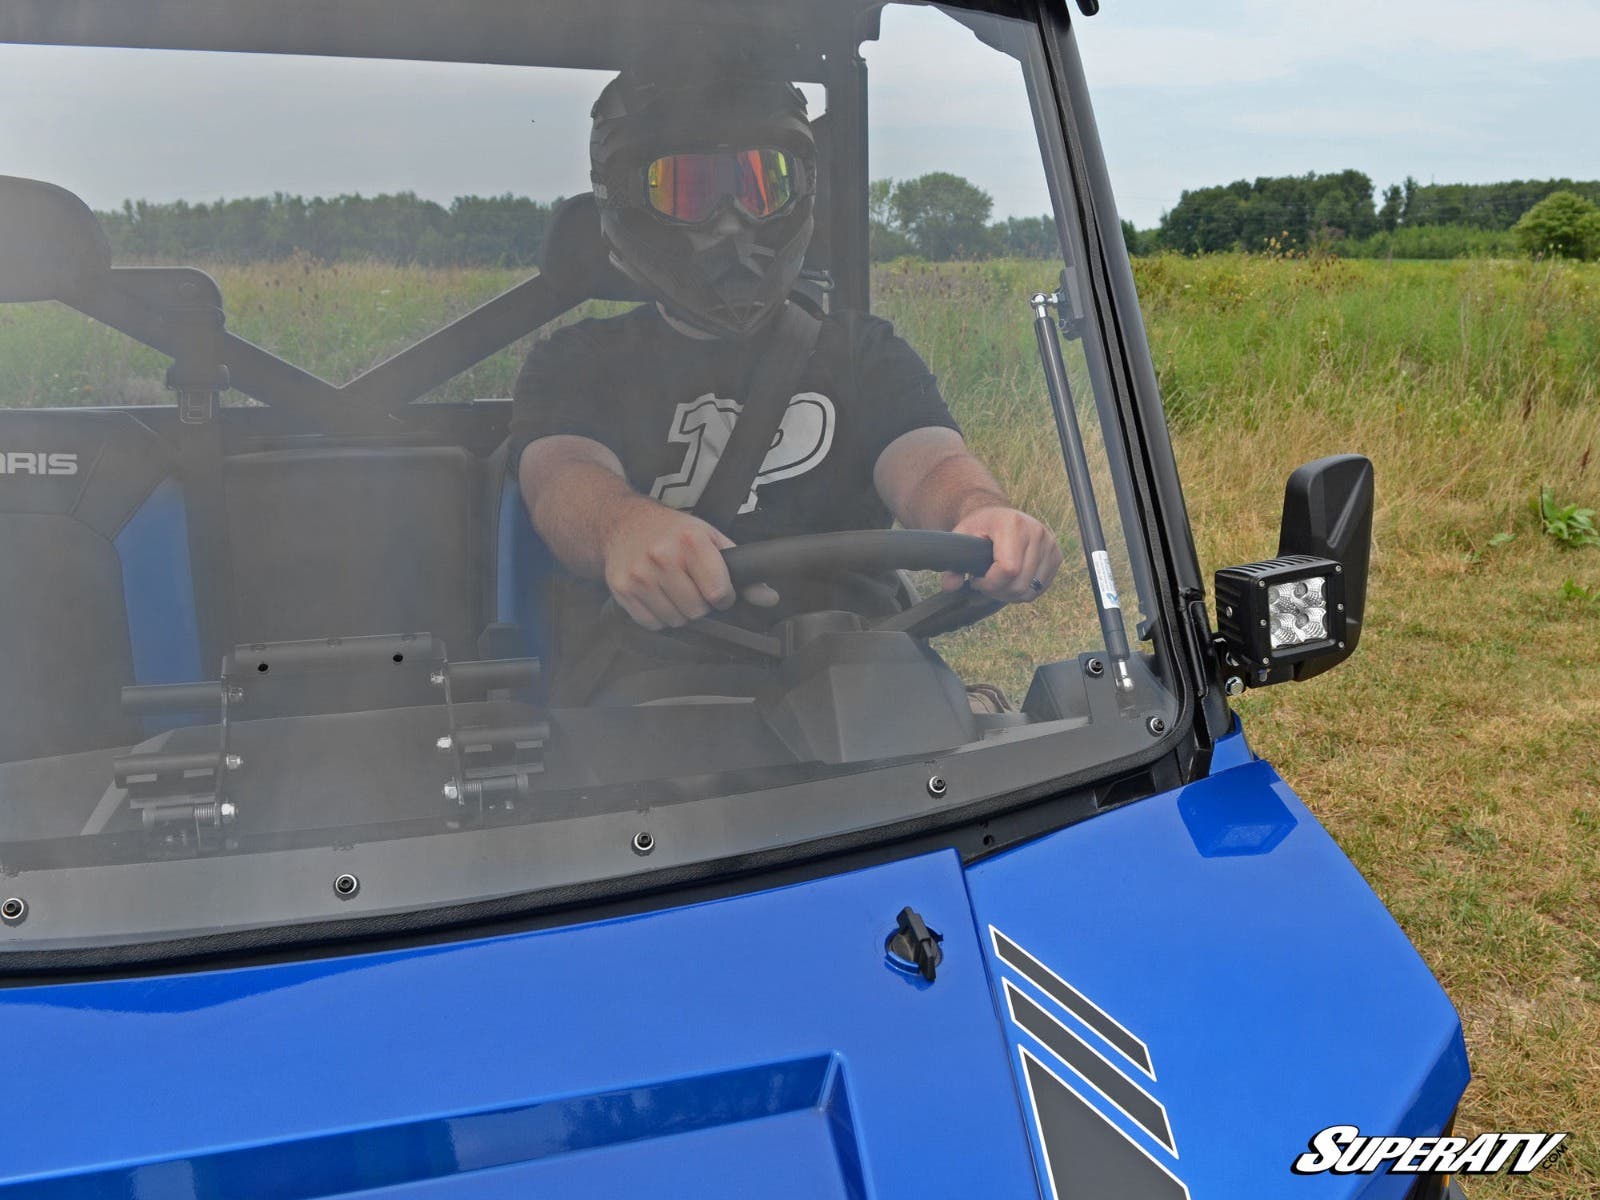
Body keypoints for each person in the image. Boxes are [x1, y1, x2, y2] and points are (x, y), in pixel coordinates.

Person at [509, 69, 1062, 699]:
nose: (732, 221)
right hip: (658, 690)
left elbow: (931, 463)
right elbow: (561, 476)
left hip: (863, 677)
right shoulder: (579, 360)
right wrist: (622, 527)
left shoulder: (861, 350)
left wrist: (978, 510)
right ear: (628, 202)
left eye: (760, 185)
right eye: (689, 191)